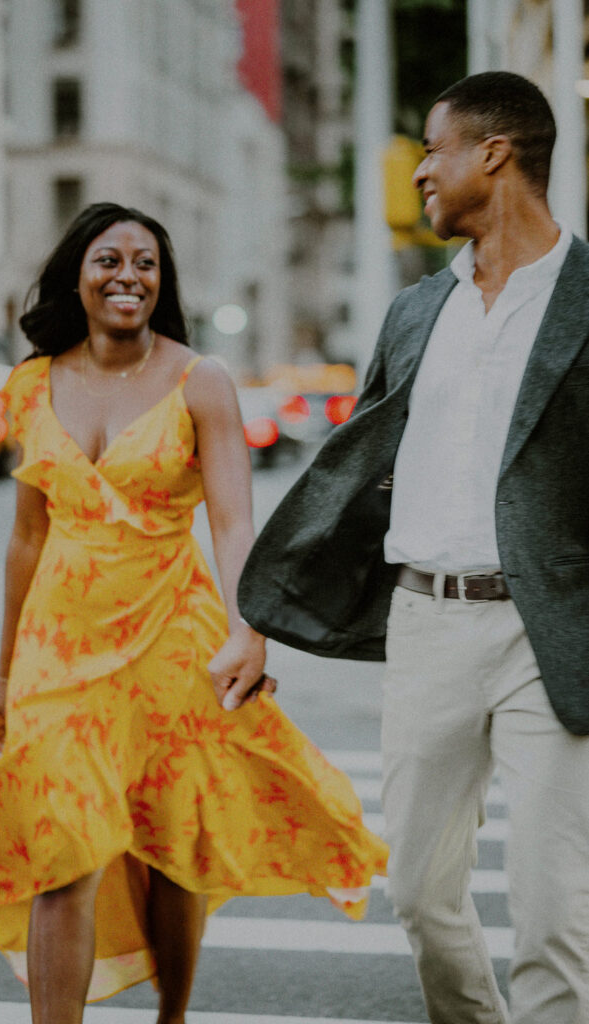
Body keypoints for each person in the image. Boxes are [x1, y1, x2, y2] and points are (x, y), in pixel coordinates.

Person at [0, 202, 388, 1024]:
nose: (128, 277)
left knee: (170, 843)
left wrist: (245, 629)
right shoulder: (31, 383)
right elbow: (25, 538)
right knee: (62, 851)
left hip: (170, 637)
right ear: (76, 274)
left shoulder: (202, 379)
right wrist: (7, 675)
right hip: (60, 648)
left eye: (145, 263)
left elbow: (231, 520)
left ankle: (171, 1017)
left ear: (164, 280)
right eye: (109, 260)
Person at [238, 72, 589, 1024]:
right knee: (422, 901)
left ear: (494, 153)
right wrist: (262, 613)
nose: (420, 172)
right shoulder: (414, 312)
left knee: (556, 915)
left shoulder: (585, 300)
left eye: (433, 150)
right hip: (426, 623)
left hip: (548, 633)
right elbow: (353, 475)